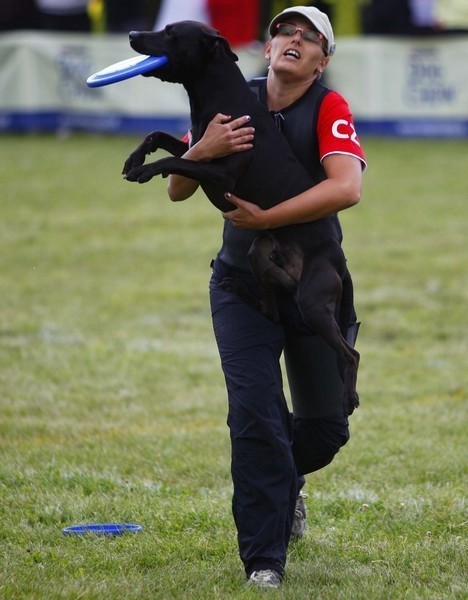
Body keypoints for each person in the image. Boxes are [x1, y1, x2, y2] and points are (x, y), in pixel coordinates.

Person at [166, 6, 366, 590]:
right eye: (284, 31)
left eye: (309, 38)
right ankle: (264, 562)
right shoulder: (230, 97)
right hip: (241, 288)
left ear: (323, 60)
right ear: (268, 45)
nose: (293, 40)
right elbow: (178, 189)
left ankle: (285, 482)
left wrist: (267, 218)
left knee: (326, 431)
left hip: (312, 284)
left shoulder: (329, 106)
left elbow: (346, 187)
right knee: (255, 419)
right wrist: (201, 148)